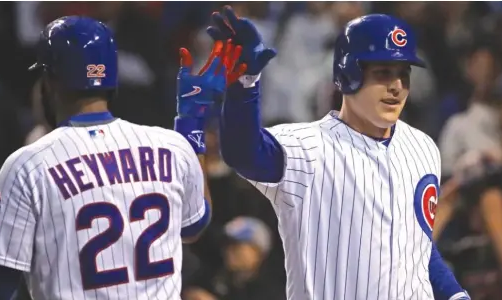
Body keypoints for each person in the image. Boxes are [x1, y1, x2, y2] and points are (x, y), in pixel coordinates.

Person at [0, 16, 243, 300]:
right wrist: (192, 126)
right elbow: (195, 223)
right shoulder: (171, 146)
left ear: (50, 82)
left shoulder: (28, 164)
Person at [198, 6, 471, 300]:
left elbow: (417, 246)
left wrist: (455, 295)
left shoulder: (423, 147)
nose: (397, 87)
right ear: (347, 73)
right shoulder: (308, 146)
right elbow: (242, 154)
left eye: (404, 75)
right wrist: (244, 84)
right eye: (383, 74)